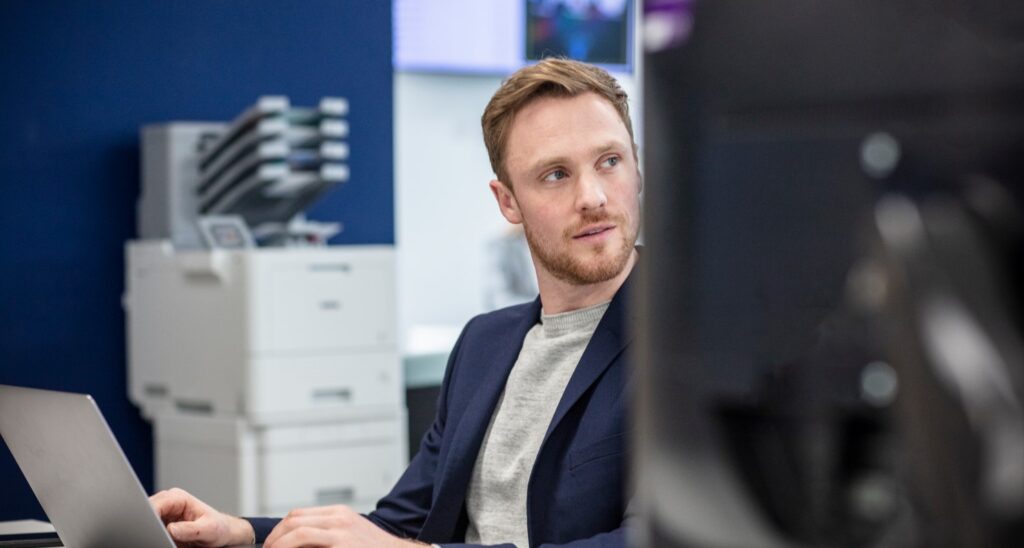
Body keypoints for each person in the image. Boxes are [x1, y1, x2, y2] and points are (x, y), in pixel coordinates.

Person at [150, 57, 643, 548]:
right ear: (507, 201)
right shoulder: (483, 344)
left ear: (638, 166)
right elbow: (397, 527)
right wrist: (242, 534)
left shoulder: (698, 346)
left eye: (609, 161)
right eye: (556, 174)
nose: (593, 196)